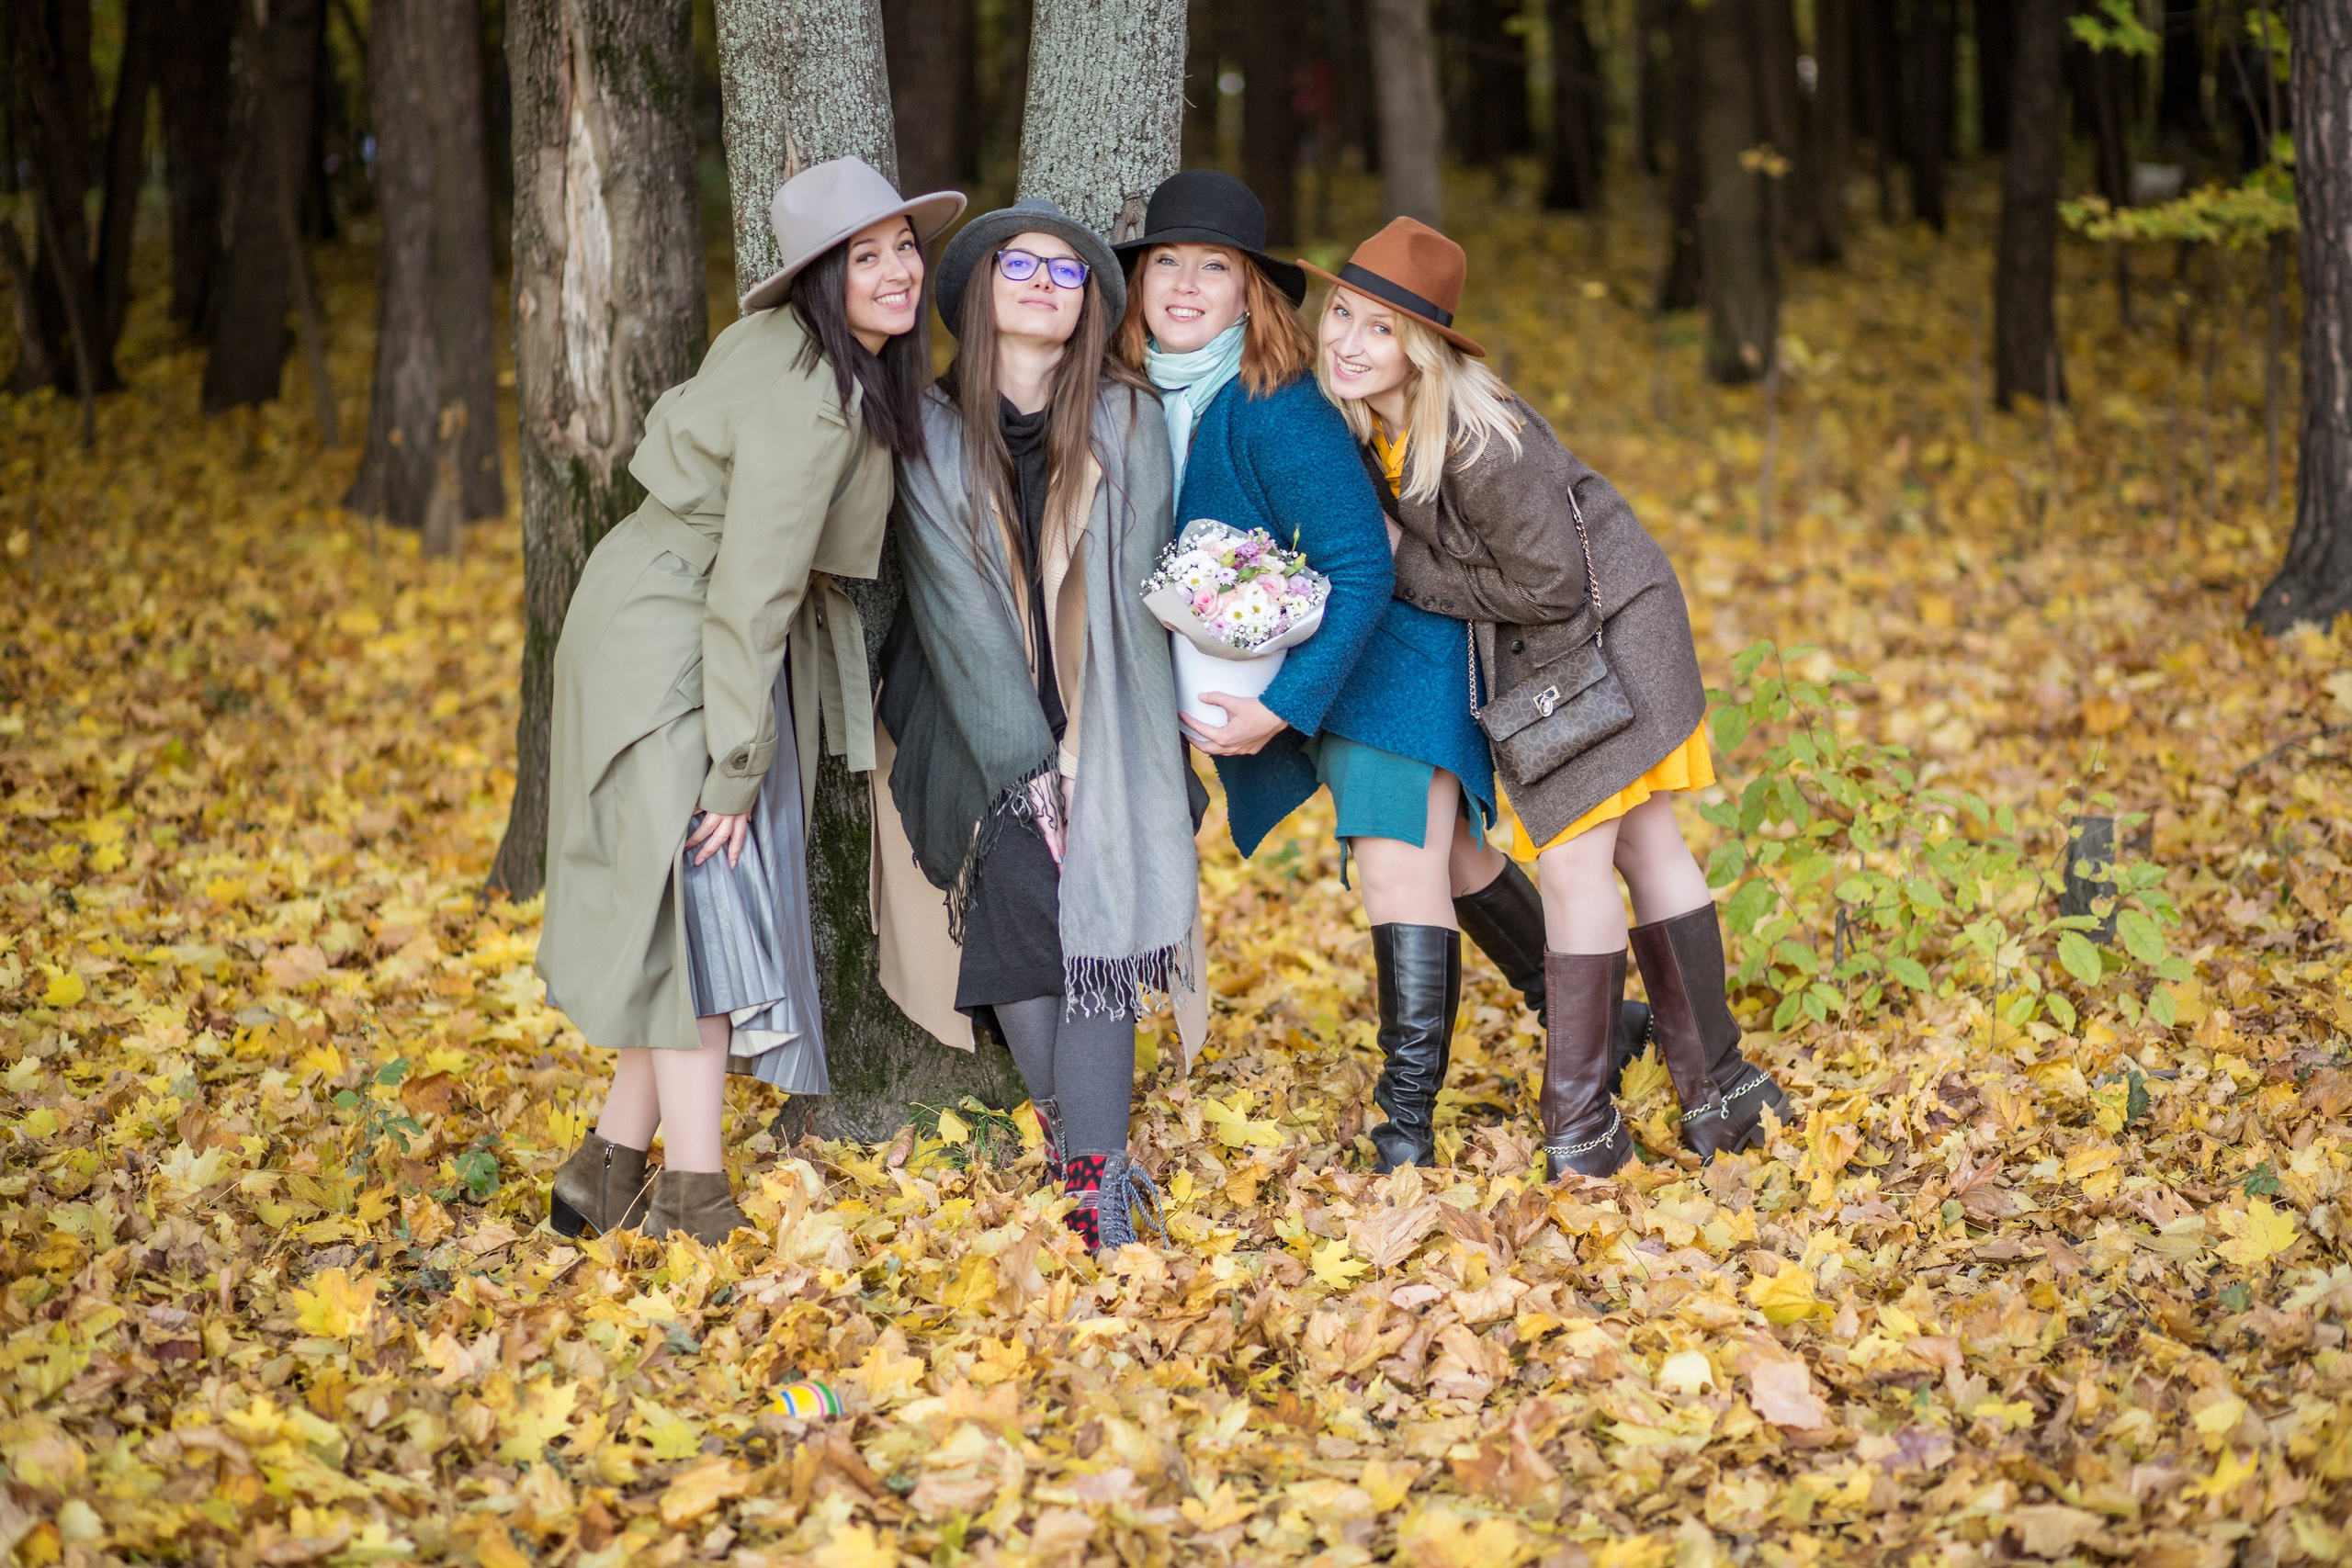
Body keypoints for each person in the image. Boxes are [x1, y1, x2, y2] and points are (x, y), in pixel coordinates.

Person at [1306, 218, 1793, 1178]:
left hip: (1604, 640)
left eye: (1379, 329)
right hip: (1557, 648)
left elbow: (1555, 589)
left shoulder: (1487, 445)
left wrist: (1409, 573)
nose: (1348, 342)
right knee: (1648, 843)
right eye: (1341, 315)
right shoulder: (1380, 431)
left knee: (1579, 869)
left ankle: (1581, 1126)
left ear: (1425, 349)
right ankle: (1724, 1092)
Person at [536, 159, 966, 1244]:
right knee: (705, 923)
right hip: (674, 643)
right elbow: (750, 597)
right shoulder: (812, 402)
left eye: (902, 248)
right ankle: (697, 1205)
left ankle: (602, 1172)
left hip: (652, 611)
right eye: (864, 257)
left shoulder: (799, 351)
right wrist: (737, 765)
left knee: (678, 911)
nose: (896, 272)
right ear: (822, 277)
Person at [1113, 169, 1506, 1175]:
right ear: (1140, 281)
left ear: (1253, 293)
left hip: (1382, 661)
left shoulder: (1273, 405)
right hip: (1304, 653)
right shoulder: (1134, 397)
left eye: (1216, 267)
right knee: (1457, 867)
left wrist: (1279, 711)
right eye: (1168, 263)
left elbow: (1365, 567)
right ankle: (1602, 1022)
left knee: (1396, 868)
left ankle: (1404, 1126)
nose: (1188, 285)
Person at [878, 198, 1198, 1253]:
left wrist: (1096, 762)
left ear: (1091, 310)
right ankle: (1092, 1169)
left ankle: (1087, 1180)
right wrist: (1030, 773)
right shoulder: (923, 431)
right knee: (1022, 881)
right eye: (1021, 265)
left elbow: (1142, 583)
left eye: (1068, 276)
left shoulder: (1127, 419)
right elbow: (957, 620)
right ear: (978, 293)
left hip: (1107, 709)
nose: (1042, 285)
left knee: (1096, 897)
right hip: (971, 719)